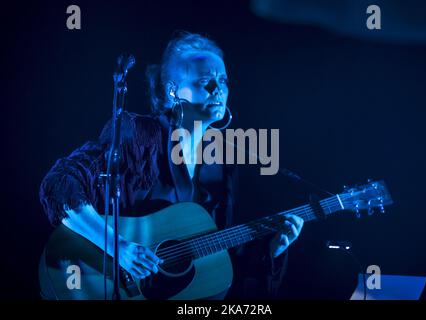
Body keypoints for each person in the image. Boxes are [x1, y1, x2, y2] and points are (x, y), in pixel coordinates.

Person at [39, 31, 303, 299]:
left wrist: (272, 251)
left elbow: (214, 261)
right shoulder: (138, 134)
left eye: (222, 80)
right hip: (95, 280)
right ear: (172, 91)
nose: (218, 89)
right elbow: (59, 185)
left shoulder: (221, 166)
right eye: (205, 81)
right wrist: (119, 247)